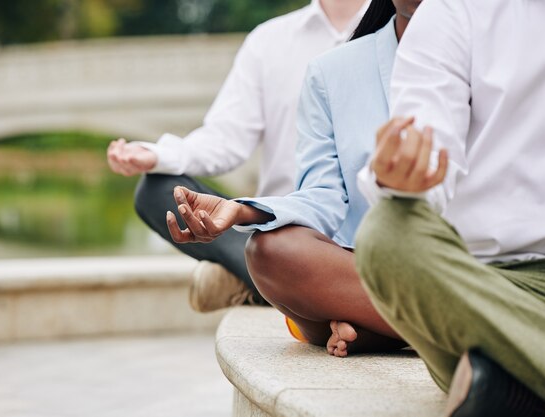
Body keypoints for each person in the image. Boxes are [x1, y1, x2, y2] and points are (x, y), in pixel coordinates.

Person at [166, 0, 420, 355]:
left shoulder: (496, 54)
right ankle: (417, 325)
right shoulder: (331, 71)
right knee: (270, 250)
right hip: (369, 266)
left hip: (474, 261)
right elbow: (323, 196)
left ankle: (381, 329)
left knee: (314, 319)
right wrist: (242, 211)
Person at [353, 0, 545, 415]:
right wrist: (406, 174)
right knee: (386, 236)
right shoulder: (454, 11)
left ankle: (512, 379)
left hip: (486, 319)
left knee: (490, 382)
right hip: (484, 285)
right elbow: (429, 136)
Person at [107, 0, 370, 313]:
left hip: (366, 227)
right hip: (281, 227)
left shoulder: (400, 29)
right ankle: (274, 281)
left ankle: (260, 284)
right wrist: (157, 155)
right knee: (157, 190)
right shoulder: (268, 40)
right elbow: (226, 137)